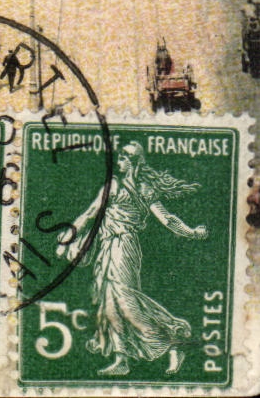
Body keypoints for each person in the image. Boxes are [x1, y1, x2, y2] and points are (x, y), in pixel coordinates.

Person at [56, 142, 206, 376]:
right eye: (120, 156)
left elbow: (167, 219)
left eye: (125, 157)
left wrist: (191, 232)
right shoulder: (112, 185)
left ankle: (172, 343)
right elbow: (89, 214)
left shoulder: (145, 190)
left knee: (126, 301)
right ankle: (121, 358)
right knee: (108, 303)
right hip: (106, 247)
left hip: (125, 246)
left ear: (135, 162)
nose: (120, 160)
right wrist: (69, 235)